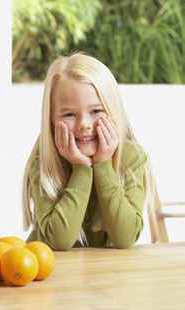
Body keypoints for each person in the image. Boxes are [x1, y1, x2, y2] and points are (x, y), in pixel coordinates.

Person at [21, 52, 154, 251]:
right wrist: (81, 168)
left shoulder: (131, 157)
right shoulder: (45, 157)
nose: (84, 124)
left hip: (105, 275)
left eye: (96, 111)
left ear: (113, 111)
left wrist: (102, 164)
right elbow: (58, 241)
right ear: (50, 120)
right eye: (68, 114)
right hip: (51, 274)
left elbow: (125, 238)